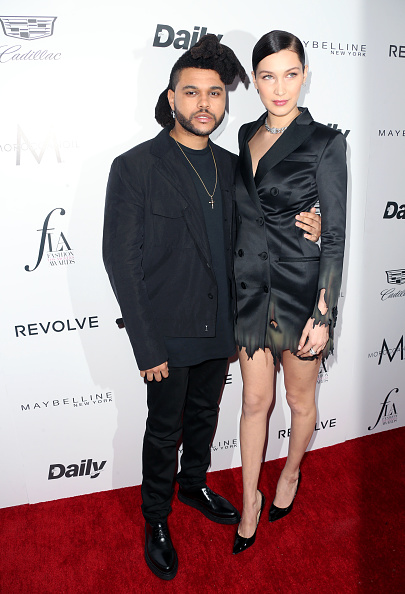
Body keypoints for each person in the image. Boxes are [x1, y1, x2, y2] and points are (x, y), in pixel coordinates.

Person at [103, 34, 321, 579]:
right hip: (167, 333)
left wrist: (312, 228)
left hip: (224, 325)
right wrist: (147, 345)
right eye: (192, 92)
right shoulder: (135, 167)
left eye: (216, 93)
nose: (205, 103)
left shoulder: (233, 166)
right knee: (163, 428)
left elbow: (265, 228)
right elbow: (120, 262)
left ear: (226, 102)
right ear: (171, 97)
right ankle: (156, 517)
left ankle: (194, 483)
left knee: (203, 416)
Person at [232, 30, 347, 555]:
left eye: (291, 74)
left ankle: (291, 474)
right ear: (255, 81)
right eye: (268, 76)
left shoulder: (325, 141)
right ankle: (249, 501)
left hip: (304, 295)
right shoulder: (243, 136)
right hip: (253, 292)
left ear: (304, 75)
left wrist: (325, 311)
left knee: (301, 401)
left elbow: (336, 235)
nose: (280, 88)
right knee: (255, 402)